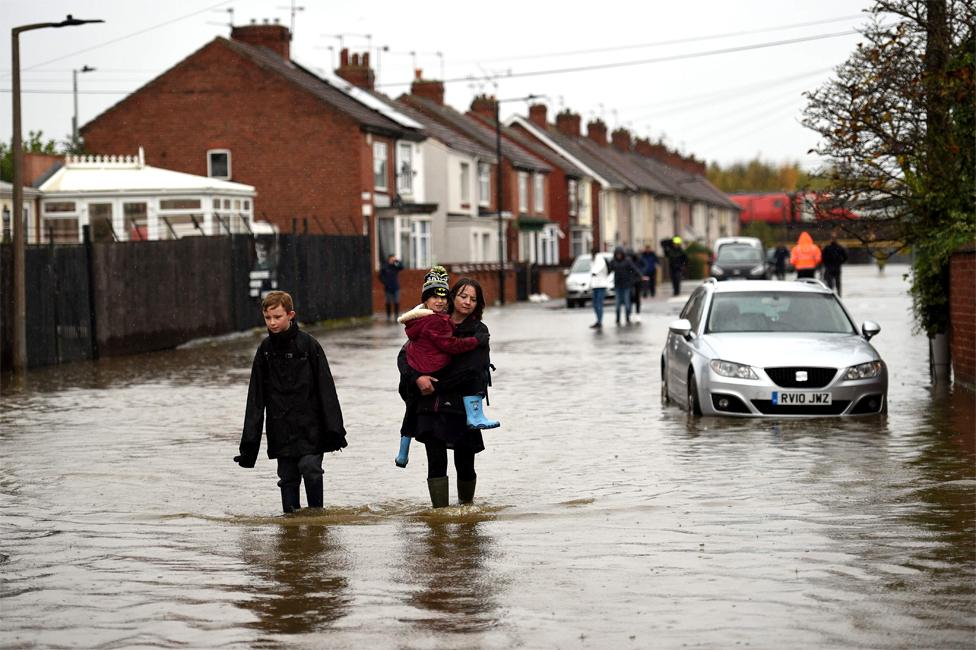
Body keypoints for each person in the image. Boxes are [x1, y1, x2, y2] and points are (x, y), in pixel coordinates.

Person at [235, 290, 347, 513]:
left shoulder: (309, 346)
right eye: (268, 318)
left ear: (291, 315)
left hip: (311, 426)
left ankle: (317, 519)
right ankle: (290, 526)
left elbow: (326, 390)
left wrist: (335, 431)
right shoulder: (265, 351)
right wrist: (249, 446)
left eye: (277, 317)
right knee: (287, 477)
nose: (272, 322)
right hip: (280, 427)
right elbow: (255, 400)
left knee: (310, 467)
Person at [398, 278, 495, 507]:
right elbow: (406, 356)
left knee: (465, 462)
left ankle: (467, 511)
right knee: (436, 459)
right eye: (463, 296)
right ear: (452, 297)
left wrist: (436, 382)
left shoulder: (479, 331)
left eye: (473, 299)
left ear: (478, 304)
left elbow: (471, 369)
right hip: (429, 406)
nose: (467, 302)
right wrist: (417, 377)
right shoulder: (430, 321)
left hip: (462, 406)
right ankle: (439, 517)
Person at [609, 246, 644, 325]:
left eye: (620, 254)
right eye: (617, 254)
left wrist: (641, 276)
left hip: (626, 285)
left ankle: (627, 318)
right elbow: (609, 269)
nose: (619, 255)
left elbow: (634, 269)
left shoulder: (627, 261)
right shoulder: (613, 261)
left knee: (627, 303)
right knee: (617, 304)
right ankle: (617, 319)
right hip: (617, 285)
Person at [589, 247, 610, 329]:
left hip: (601, 285)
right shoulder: (593, 260)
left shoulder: (600, 258)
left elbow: (597, 269)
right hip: (595, 285)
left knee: (599, 304)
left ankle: (599, 321)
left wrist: (594, 272)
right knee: (595, 304)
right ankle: (598, 320)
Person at [378, 254, 404, 322]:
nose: (393, 260)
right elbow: (380, 276)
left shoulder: (395, 266)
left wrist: (397, 261)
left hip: (395, 287)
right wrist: (385, 282)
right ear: (389, 259)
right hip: (388, 288)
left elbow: (402, 267)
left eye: (394, 259)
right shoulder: (385, 266)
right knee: (388, 302)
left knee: (396, 302)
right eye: (392, 259)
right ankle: (388, 316)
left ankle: (396, 316)